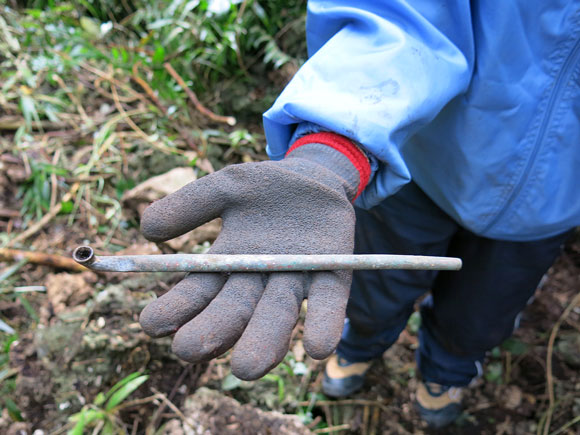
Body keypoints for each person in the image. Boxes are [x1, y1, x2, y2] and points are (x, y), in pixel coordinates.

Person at [138, 1, 580, 428]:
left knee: (482, 315)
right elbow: (403, 14)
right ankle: (361, 344)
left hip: (550, 207)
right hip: (424, 165)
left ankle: (448, 372)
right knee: (373, 291)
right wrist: (333, 148)